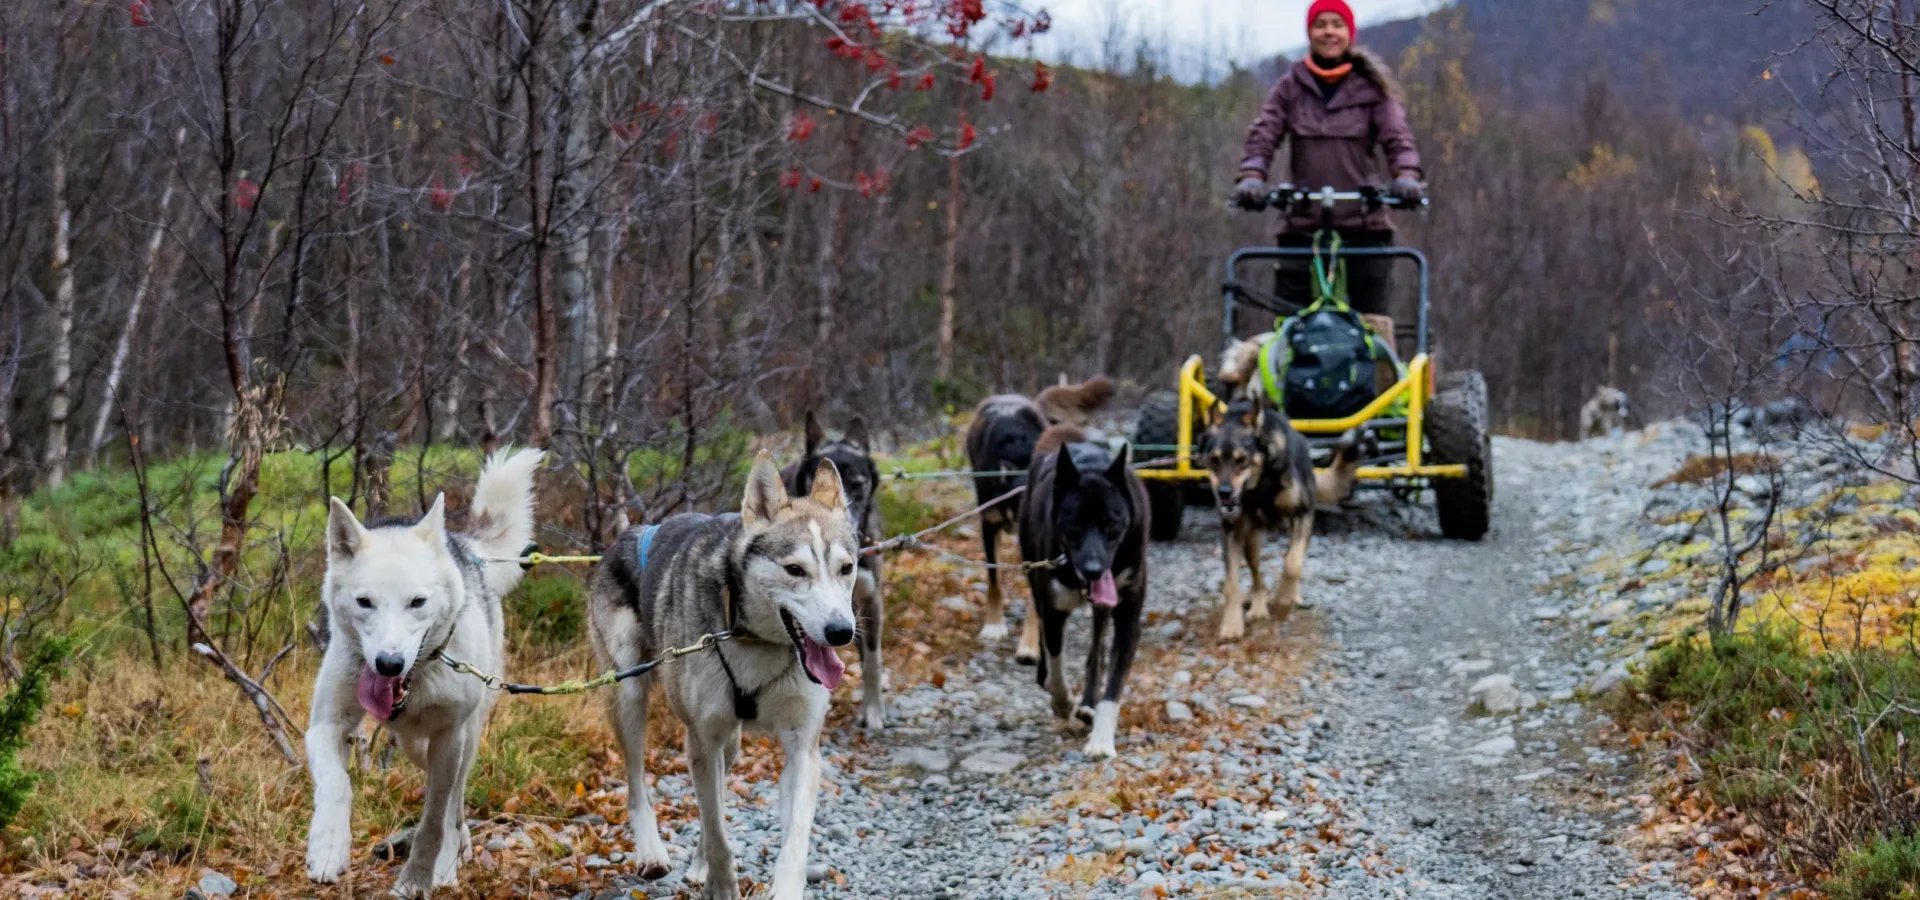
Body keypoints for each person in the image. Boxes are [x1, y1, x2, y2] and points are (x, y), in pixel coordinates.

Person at [1235, 0, 1424, 343]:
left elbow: (1398, 138)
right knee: (1287, 319)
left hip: (1363, 222)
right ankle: (1285, 385)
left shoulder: (1372, 89)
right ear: (1310, 32)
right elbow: (1264, 134)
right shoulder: (1290, 86)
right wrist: (1252, 175)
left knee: (1373, 322)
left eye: (1337, 24)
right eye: (1321, 24)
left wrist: (1406, 176)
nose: (1329, 32)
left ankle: (1378, 385)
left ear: (1349, 33)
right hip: (1303, 220)